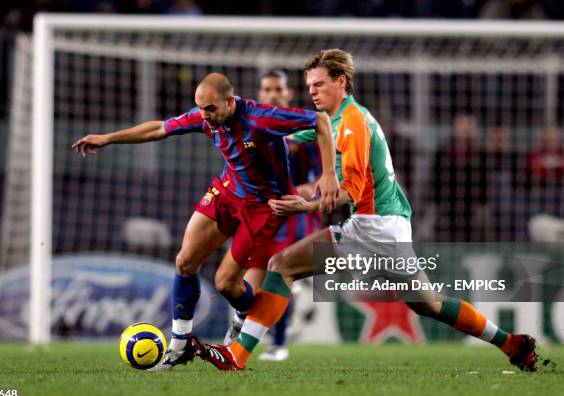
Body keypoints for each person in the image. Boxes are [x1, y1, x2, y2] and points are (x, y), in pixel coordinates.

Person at [192, 50, 538, 372]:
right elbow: (292, 136)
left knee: (281, 266)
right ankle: (511, 343)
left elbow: (350, 192)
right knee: (428, 303)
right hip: (388, 226)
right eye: (309, 85)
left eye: (319, 84)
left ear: (341, 82)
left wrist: (306, 205)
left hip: (373, 226)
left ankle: (236, 355)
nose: (311, 92)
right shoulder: (337, 118)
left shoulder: (353, 123)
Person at [72, 72, 340, 369]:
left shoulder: (261, 118)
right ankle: (179, 345)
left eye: (210, 109)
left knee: (226, 284)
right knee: (185, 261)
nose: (204, 116)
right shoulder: (204, 115)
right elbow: (159, 129)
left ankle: (246, 318)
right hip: (227, 191)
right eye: (200, 108)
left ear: (229, 101)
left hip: (264, 207)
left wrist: (329, 174)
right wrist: (108, 138)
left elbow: (320, 121)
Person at [222, 69, 323, 361]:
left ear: (289, 94)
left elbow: (319, 179)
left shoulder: (302, 132)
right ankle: (258, 328)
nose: (273, 94)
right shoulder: (251, 127)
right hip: (262, 212)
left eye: (279, 89)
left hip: (294, 215)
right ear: (260, 94)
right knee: (250, 282)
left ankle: (278, 344)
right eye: (267, 89)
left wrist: (303, 191)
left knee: (276, 275)